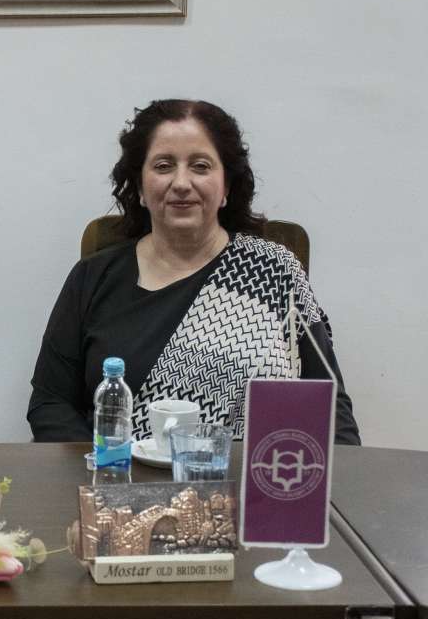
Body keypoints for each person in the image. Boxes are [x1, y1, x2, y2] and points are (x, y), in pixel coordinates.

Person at [28, 99, 360, 445]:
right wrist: (106, 466)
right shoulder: (92, 278)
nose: (182, 182)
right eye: (163, 166)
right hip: (119, 475)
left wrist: (341, 472)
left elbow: (330, 407)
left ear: (226, 186)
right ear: (139, 187)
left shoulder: (276, 272)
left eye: (200, 166)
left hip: (252, 476)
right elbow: (50, 403)